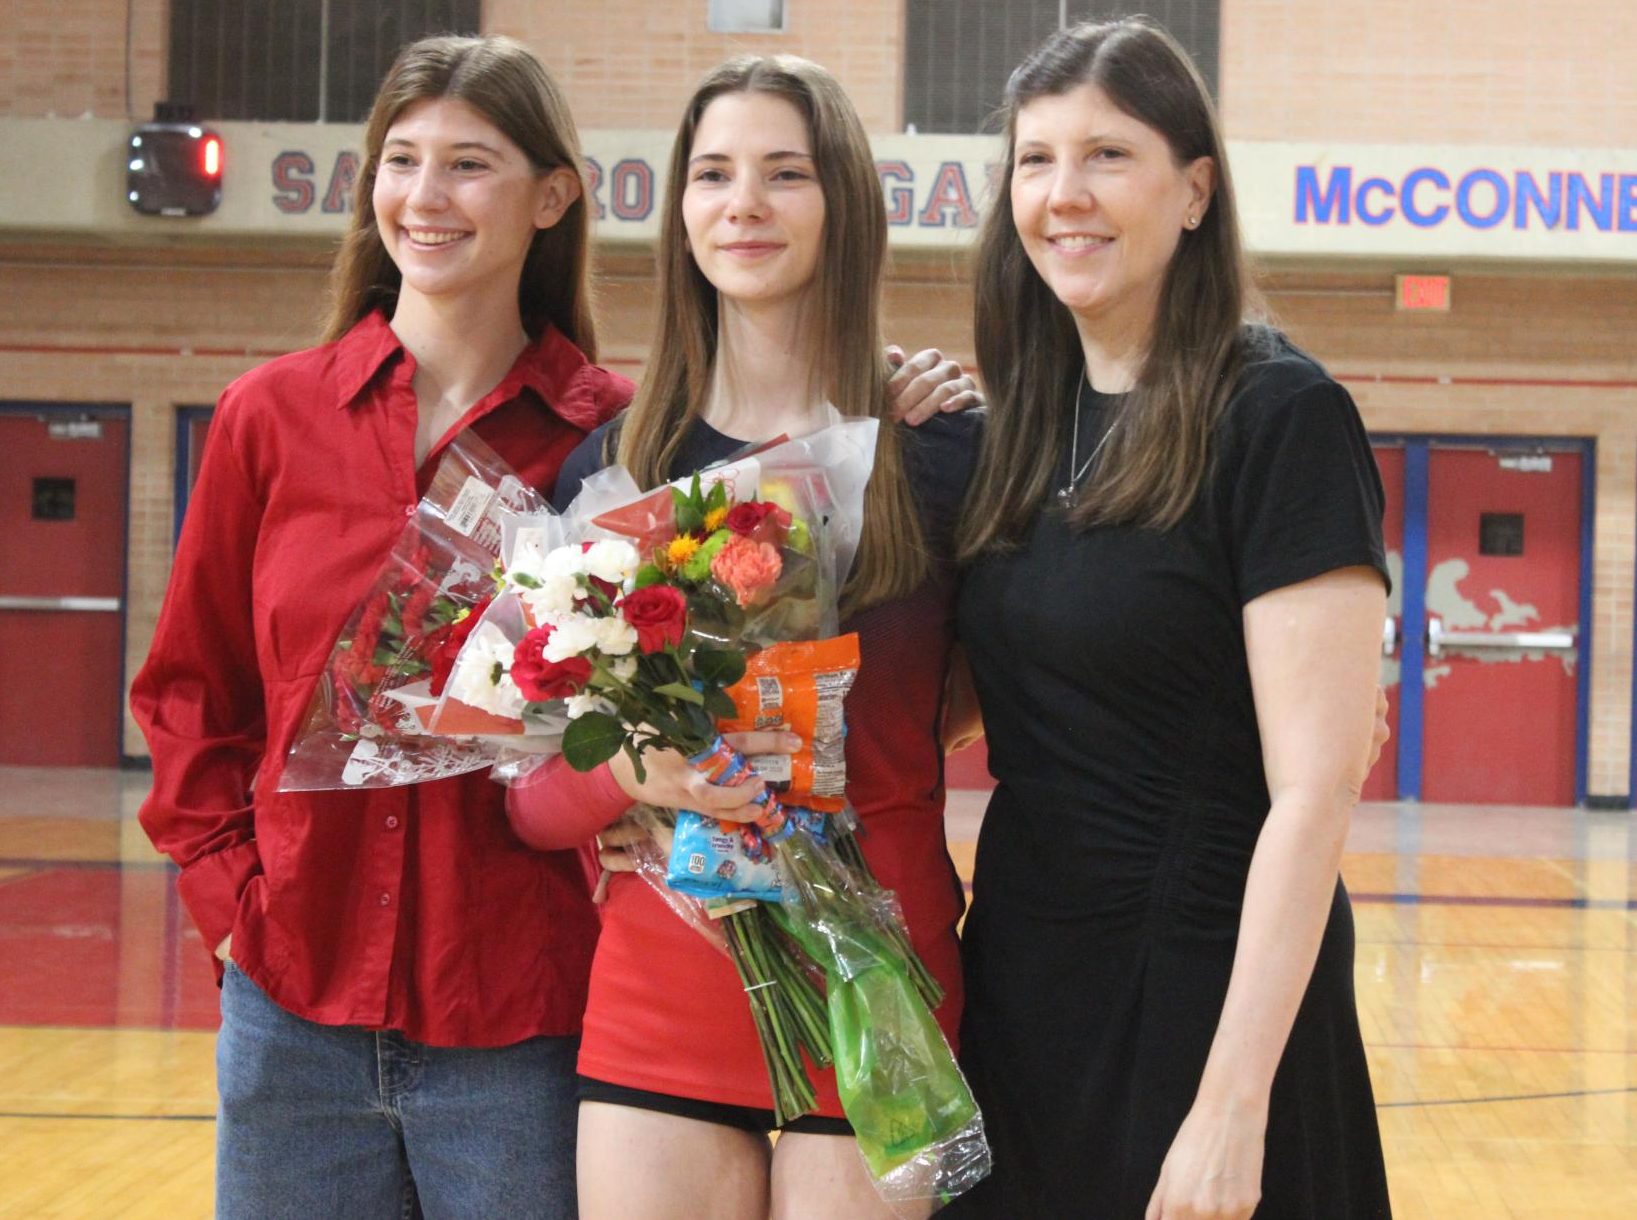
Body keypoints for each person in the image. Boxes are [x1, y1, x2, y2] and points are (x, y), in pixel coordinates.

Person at [132, 34, 973, 1218]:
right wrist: (233, 913)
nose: (426, 196)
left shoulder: (620, 438)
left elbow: (945, 699)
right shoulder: (300, 421)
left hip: (554, 1008)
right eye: (401, 159)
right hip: (308, 1002)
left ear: (552, 195)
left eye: (467, 163)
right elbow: (193, 694)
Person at [504, 54, 980, 1220]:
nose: (743, 204)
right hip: (664, 979)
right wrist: (631, 769)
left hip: (876, 970)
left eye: (785, 174)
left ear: (846, 205)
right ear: (678, 212)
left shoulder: (940, 452)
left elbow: (991, 697)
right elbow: (525, 791)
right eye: (712, 173)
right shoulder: (612, 468)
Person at [945, 18, 1394, 1220]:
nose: (1062, 195)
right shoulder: (1014, 430)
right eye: (1033, 161)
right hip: (1024, 981)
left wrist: (1231, 1100)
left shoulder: (1279, 415)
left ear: (1193, 191)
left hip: (1204, 987)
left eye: (1106, 155)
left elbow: (1317, 785)